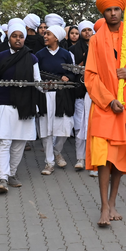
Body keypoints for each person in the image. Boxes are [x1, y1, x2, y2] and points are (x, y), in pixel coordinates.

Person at [85, 0, 126, 227]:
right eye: (108, 10)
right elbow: (90, 76)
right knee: (104, 159)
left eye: (116, 9)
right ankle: (103, 206)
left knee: (120, 160)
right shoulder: (95, 40)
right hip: (104, 107)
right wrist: (109, 100)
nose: (113, 14)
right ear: (103, 12)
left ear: (122, 11)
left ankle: (113, 203)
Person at [0, 20, 41, 193]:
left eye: (21, 37)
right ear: (9, 37)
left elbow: (38, 82)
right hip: (3, 103)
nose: (18, 39)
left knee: (19, 142)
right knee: (4, 141)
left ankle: (12, 173)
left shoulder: (32, 58)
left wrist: (46, 85)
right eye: (14, 36)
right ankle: (3, 178)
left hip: (25, 105)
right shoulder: (0, 56)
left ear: (25, 38)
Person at [35, 25, 77, 174]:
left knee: (65, 127)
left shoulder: (66, 54)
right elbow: (36, 75)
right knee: (46, 129)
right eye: (44, 34)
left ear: (56, 38)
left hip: (62, 95)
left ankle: (56, 150)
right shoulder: (39, 55)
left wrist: (68, 77)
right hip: (45, 94)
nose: (45, 36)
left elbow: (74, 73)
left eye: (48, 34)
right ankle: (49, 163)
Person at [70, 20, 95, 171]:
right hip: (80, 92)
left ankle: (94, 160)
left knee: (94, 127)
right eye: (84, 30)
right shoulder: (73, 50)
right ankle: (80, 158)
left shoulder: (99, 46)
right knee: (79, 126)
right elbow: (71, 70)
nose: (87, 32)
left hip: (96, 93)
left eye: (89, 30)